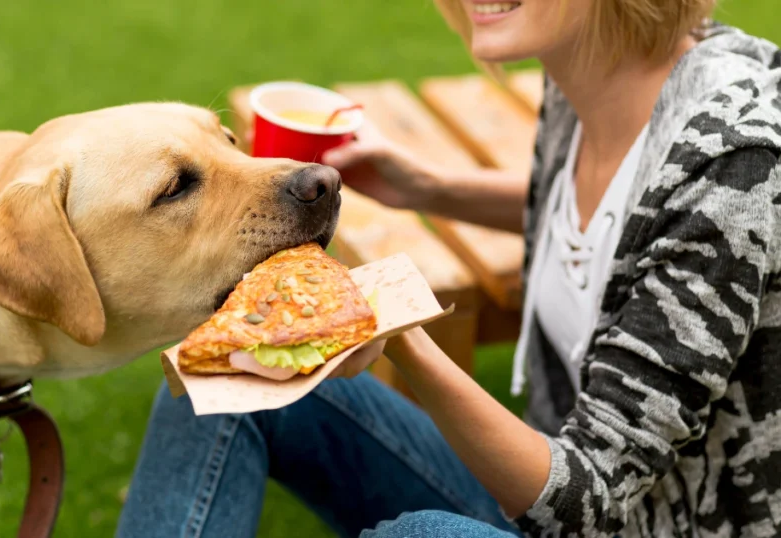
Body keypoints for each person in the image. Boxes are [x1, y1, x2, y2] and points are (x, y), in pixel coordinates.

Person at [116, 0, 781, 535]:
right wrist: (428, 188)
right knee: (215, 385)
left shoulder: (735, 167)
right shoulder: (591, 63)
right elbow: (610, 217)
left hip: (621, 512)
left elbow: (589, 499)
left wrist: (396, 333)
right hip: (548, 492)